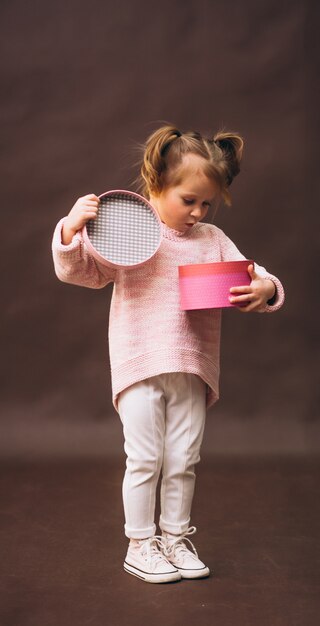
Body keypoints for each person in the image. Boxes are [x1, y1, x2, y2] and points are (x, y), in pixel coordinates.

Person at [51, 125, 285, 584]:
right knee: (144, 458)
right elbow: (82, 272)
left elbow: (255, 275)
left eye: (206, 203)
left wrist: (266, 287)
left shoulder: (212, 239)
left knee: (183, 458)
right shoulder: (129, 231)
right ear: (156, 184)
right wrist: (70, 228)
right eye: (188, 200)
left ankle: (175, 537)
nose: (198, 212)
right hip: (140, 362)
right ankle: (141, 544)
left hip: (193, 367)